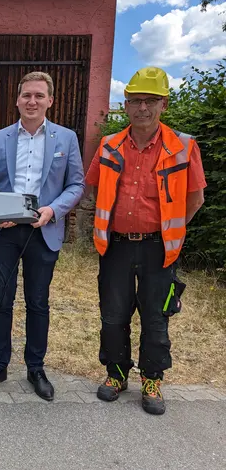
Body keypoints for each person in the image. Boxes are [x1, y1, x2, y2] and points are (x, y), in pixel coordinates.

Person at [85, 66, 206, 415]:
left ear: (164, 104)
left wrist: (171, 231)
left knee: (155, 317)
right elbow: (93, 188)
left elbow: (195, 200)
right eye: (136, 100)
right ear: (125, 105)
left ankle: (152, 379)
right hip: (116, 246)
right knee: (113, 314)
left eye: (150, 101)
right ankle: (117, 374)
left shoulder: (183, 146)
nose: (142, 108)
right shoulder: (109, 145)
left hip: (158, 249)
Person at [0, 72, 85, 400]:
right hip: (4, 231)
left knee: (38, 301)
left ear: (50, 100)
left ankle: (35, 367)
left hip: (44, 230)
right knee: (1, 299)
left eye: (39, 95)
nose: (32, 101)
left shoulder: (66, 139)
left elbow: (76, 184)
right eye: (26, 95)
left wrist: (53, 210)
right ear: (17, 100)